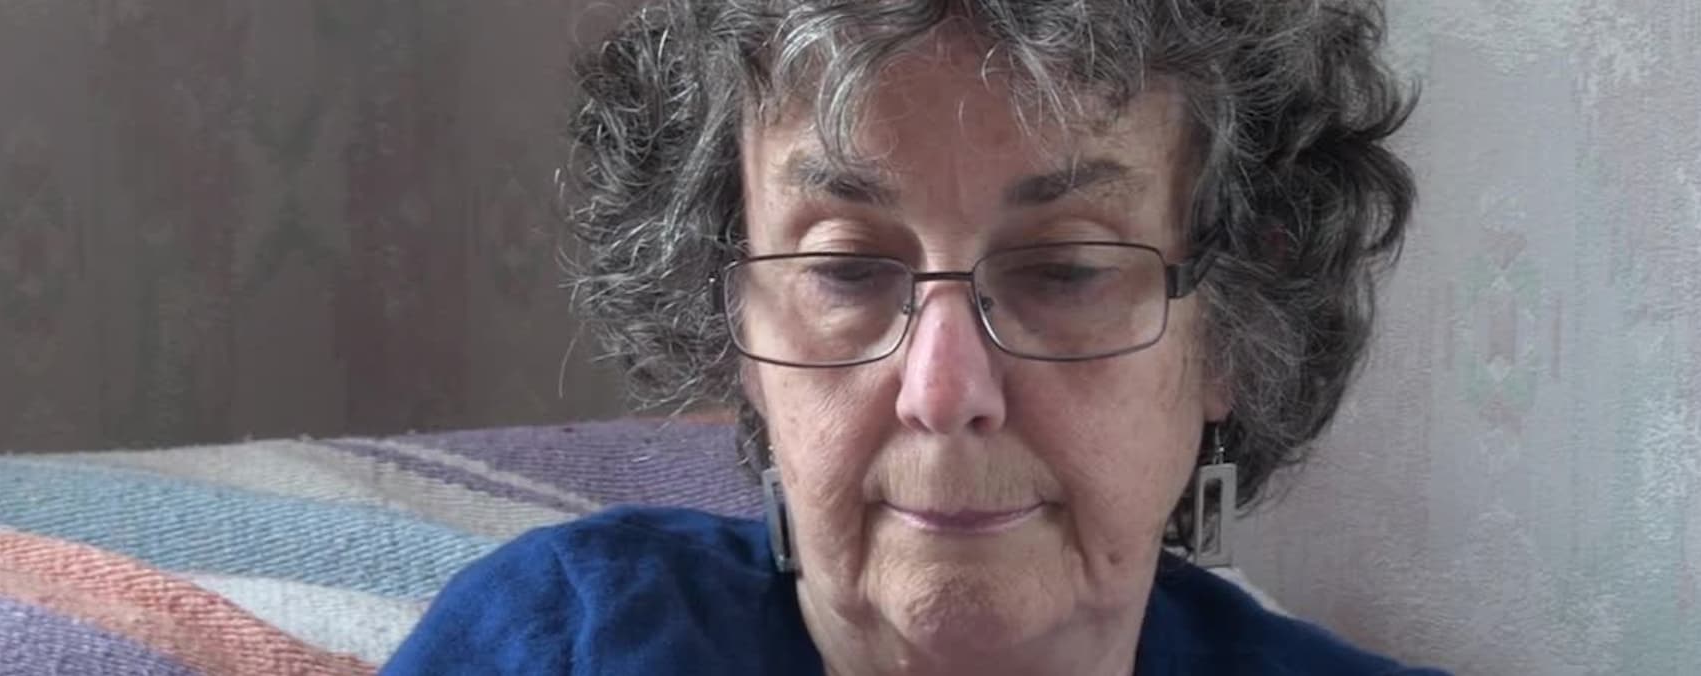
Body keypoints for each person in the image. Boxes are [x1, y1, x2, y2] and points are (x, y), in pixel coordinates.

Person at [385, 0, 1445, 673]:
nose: (942, 390)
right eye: (845, 268)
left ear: (1235, 326)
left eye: (1066, 270)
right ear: (736, 323)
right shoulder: (567, 641)